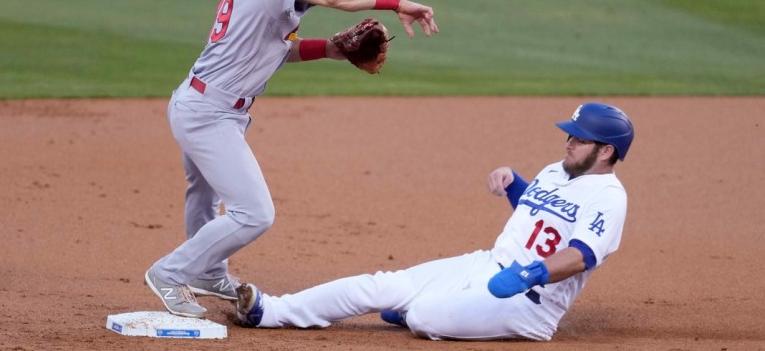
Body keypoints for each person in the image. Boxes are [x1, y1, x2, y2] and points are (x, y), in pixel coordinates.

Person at [144, 0, 439, 319]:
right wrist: (399, 3)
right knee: (254, 214)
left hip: (202, 103)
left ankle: (207, 273)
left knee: (205, 197)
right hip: (209, 113)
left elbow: (275, 46)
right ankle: (169, 273)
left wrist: (331, 50)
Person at [235, 103, 634, 341]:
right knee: (384, 285)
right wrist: (514, 183)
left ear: (606, 152)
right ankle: (271, 311)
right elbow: (539, 214)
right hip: (484, 265)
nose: (568, 142)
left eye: (579, 140)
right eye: (570, 135)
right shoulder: (556, 170)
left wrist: (530, 275)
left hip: (530, 304)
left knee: (424, 314)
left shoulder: (609, 198)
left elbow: (582, 255)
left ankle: (413, 312)